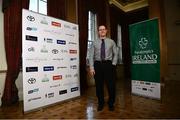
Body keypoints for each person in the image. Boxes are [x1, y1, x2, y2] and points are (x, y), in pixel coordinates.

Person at [89, 25, 118, 111]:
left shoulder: (111, 42)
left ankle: (111, 103)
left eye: (103, 29)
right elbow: (91, 56)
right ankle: (101, 103)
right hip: (97, 65)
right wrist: (91, 67)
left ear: (106, 31)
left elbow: (115, 53)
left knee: (111, 86)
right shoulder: (94, 42)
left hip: (109, 65)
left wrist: (113, 64)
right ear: (98, 32)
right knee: (99, 86)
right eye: (100, 30)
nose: (102, 31)